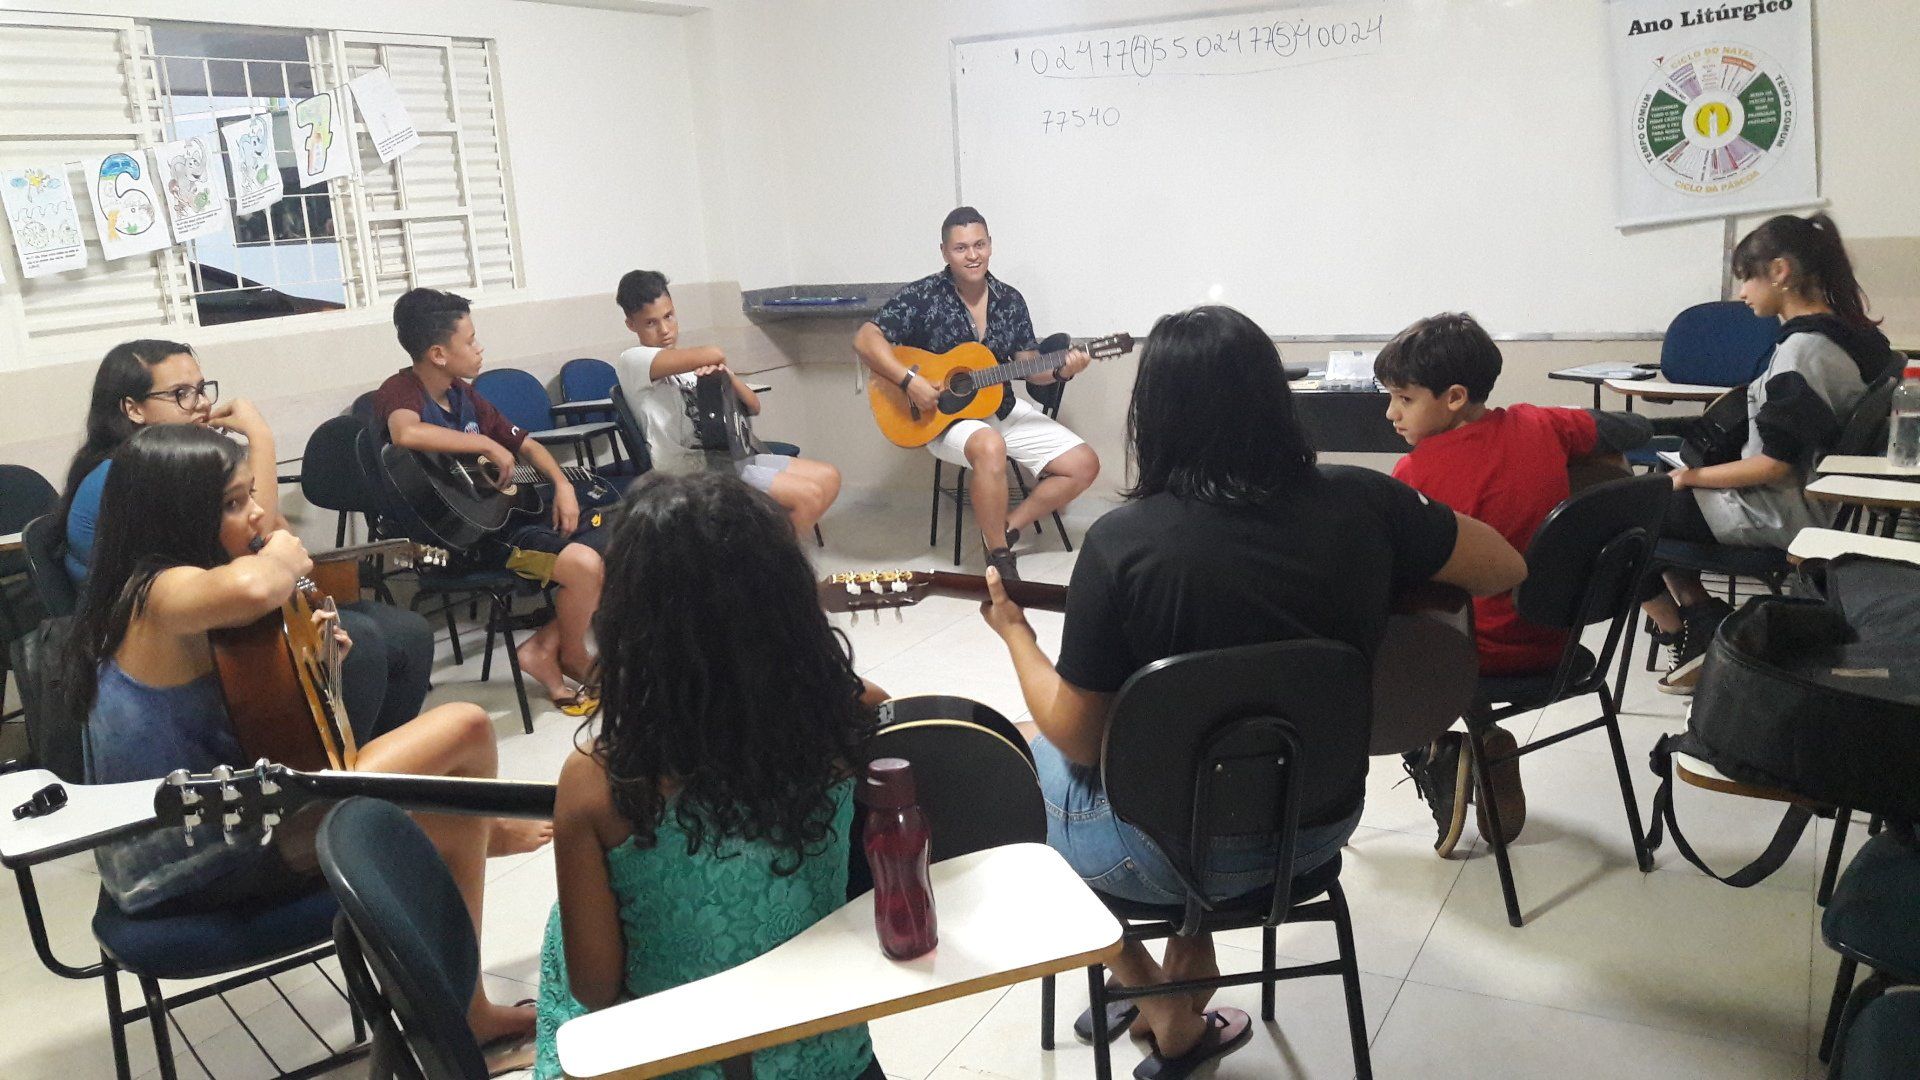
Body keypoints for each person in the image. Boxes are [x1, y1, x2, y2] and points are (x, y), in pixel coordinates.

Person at [977, 306, 1526, 1074]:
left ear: (1153, 415)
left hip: (1157, 858)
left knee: (1025, 756)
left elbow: (1080, 737)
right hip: (1315, 827)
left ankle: (1151, 990)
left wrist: (1016, 636)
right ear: (1276, 398)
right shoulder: (1368, 501)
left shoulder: (1122, 544)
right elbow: (1505, 567)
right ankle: (1183, 962)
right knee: (1216, 749)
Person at [72, 424, 549, 1061]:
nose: (256, 513)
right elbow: (255, 586)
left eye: (251, 495)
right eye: (233, 502)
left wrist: (318, 660)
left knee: (451, 797)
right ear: (174, 515)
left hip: (220, 826)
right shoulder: (156, 594)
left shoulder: (157, 593)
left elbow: (269, 726)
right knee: (464, 730)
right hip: (191, 867)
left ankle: (467, 975)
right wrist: (283, 555)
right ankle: (465, 995)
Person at [535, 472, 887, 1080]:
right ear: (789, 601)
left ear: (628, 623)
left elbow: (594, 987)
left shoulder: (598, 782)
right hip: (829, 1060)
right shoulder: (855, 715)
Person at [59, 339, 435, 745]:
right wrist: (261, 437)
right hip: (181, 638)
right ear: (133, 408)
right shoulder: (127, 477)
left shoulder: (185, 466)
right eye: (181, 394)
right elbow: (259, 543)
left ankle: (360, 764)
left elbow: (270, 531)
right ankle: (342, 766)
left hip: (219, 617)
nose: (202, 404)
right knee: (368, 644)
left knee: (405, 632)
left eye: (201, 389)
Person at [1374, 312, 1653, 856]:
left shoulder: (1414, 478)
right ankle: (1479, 740)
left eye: (1404, 399)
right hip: (1558, 642)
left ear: (1455, 397)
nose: (1391, 413)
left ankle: (1440, 752)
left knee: (1375, 634)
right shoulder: (1541, 424)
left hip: (1474, 658)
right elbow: (1634, 429)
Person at [1646, 212, 1896, 694]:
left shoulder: (1802, 353)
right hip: (1816, 501)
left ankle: (1692, 627)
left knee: (1622, 516)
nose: (1742, 293)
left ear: (1780, 271)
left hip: (1778, 509)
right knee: (1644, 501)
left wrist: (1689, 478)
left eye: (1747, 278)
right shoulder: (1856, 336)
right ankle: (1702, 620)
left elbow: (1772, 465)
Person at [375, 288, 606, 714]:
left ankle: (543, 648)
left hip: (508, 523)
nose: (479, 348)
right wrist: (483, 442)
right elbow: (405, 432)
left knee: (612, 538)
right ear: (438, 353)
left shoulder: (465, 394)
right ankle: (571, 655)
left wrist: (562, 484)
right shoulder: (401, 390)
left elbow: (527, 444)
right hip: (470, 543)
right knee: (586, 566)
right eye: (470, 341)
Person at [854, 206, 1101, 578]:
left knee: (1084, 464)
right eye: (961, 248)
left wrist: (1062, 369)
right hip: (942, 419)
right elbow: (865, 338)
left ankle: (1006, 529)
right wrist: (909, 381)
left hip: (999, 407)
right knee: (989, 445)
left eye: (979, 245)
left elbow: (1030, 367)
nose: (972, 255)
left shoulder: (1009, 300)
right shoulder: (923, 296)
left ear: (990, 245)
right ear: (944, 252)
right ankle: (999, 557)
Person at [612, 270, 840, 535]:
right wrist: (714, 362)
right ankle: (772, 557)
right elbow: (715, 352)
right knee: (808, 497)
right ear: (631, 325)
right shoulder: (632, 360)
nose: (664, 330)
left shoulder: (688, 365)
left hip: (729, 459)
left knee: (829, 478)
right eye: (651, 323)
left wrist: (726, 376)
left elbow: (753, 406)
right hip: (690, 474)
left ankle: (765, 550)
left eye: (669, 316)